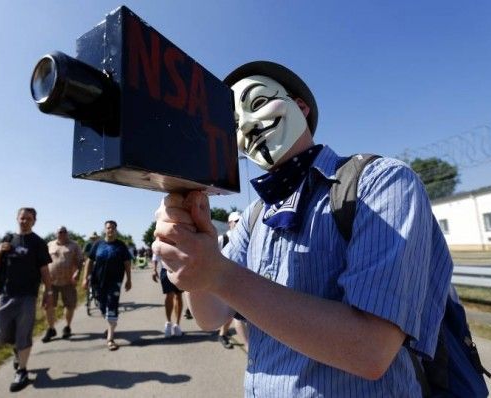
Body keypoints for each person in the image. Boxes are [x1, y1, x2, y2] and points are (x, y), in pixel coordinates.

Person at [153, 61, 453, 396]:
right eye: (235, 124)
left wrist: (220, 273)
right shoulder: (254, 216)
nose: (249, 125)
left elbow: (371, 350)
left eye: (258, 103)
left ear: (300, 106)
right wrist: (194, 250)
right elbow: (211, 317)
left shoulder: (380, 182)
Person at [0, 207, 53, 392]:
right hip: (5, 294)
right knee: (1, 333)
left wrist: (48, 293)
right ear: (17, 218)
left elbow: (44, 271)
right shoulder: (8, 239)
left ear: (34, 221)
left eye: (28, 218)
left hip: (27, 295)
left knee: (23, 333)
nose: (24, 221)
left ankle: (22, 371)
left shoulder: (38, 242)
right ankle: (19, 354)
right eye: (22, 218)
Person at [82, 220, 133, 351]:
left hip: (115, 281)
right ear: (105, 230)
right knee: (101, 305)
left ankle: (110, 338)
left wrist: (129, 279)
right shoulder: (97, 244)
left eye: (112, 228)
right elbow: (89, 261)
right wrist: (85, 278)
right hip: (97, 282)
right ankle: (111, 322)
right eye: (108, 228)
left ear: (115, 230)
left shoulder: (121, 246)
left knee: (112, 306)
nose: (110, 230)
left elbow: (127, 262)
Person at [42, 226, 83, 342]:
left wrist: (77, 272)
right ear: (56, 233)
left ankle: (67, 327)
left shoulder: (74, 245)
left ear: (67, 233)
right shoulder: (50, 245)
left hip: (68, 281)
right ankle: (51, 329)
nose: (62, 234)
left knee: (70, 305)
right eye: (60, 232)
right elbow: (43, 261)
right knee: (48, 305)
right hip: (50, 282)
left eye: (64, 232)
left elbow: (80, 260)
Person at [216, 211, 248, 351]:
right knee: (237, 315)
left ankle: (222, 333)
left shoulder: (247, 236)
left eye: (240, 221)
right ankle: (248, 346)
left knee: (232, 313)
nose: (239, 224)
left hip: (242, 280)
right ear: (230, 224)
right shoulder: (222, 239)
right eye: (236, 221)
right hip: (225, 281)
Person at [151, 253, 183, 337]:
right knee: (169, 295)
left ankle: (177, 324)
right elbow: (156, 255)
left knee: (178, 295)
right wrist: (154, 269)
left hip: (180, 269)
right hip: (166, 269)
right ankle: (168, 322)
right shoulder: (161, 240)